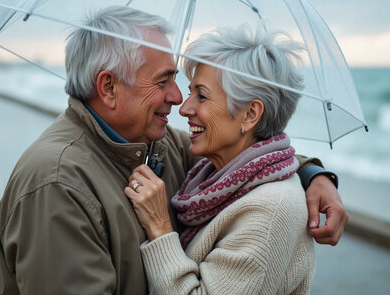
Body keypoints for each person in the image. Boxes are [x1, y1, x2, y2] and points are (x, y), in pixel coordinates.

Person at [0, 6, 347, 294]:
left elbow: (248, 154)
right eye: (163, 81)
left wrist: (313, 175)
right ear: (109, 87)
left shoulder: (154, 146)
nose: (179, 100)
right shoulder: (57, 185)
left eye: (196, 91)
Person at [125, 25, 316, 293]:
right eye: (190, 92)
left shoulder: (270, 211)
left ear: (250, 114)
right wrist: (315, 174)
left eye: (201, 96)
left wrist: (160, 228)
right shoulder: (217, 174)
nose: (185, 108)